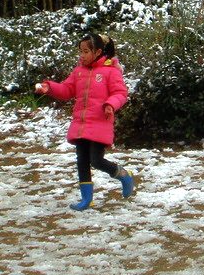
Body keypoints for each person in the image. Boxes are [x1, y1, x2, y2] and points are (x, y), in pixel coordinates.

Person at [35, 32, 133, 210]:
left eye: (86, 51)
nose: (82, 55)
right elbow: (66, 90)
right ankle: (86, 199)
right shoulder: (78, 72)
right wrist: (49, 87)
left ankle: (123, 175)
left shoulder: (110, 72)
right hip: (80, 124)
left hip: (100, 123)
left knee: (96, 160)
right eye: (81, 51)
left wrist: (110, 104)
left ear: (98, 52)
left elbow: (120, 93)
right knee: (81, 161)